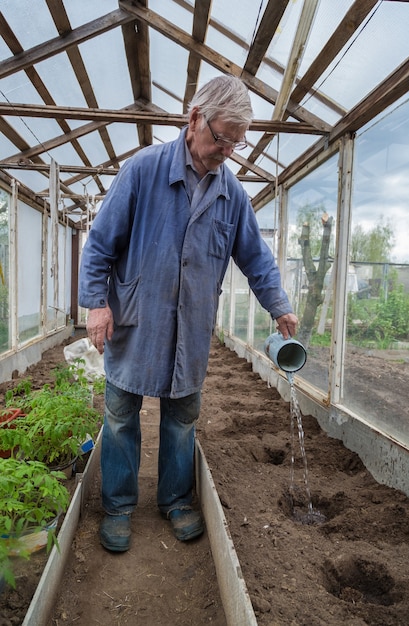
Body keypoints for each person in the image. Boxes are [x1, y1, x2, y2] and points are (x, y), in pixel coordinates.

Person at [78, 74, 298, 552]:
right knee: (120, 418)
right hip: (136, 320)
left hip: (191, 328)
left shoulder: (232, 193)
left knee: (181, 418)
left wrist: (277, 304)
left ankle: (176, 501)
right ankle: (117, 507)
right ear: (194, 118)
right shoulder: (144, 170)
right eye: (223, 138)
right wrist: (96, 303)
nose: (229, 152)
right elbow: (99, 245)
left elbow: (255, 256)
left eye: (237, 144)